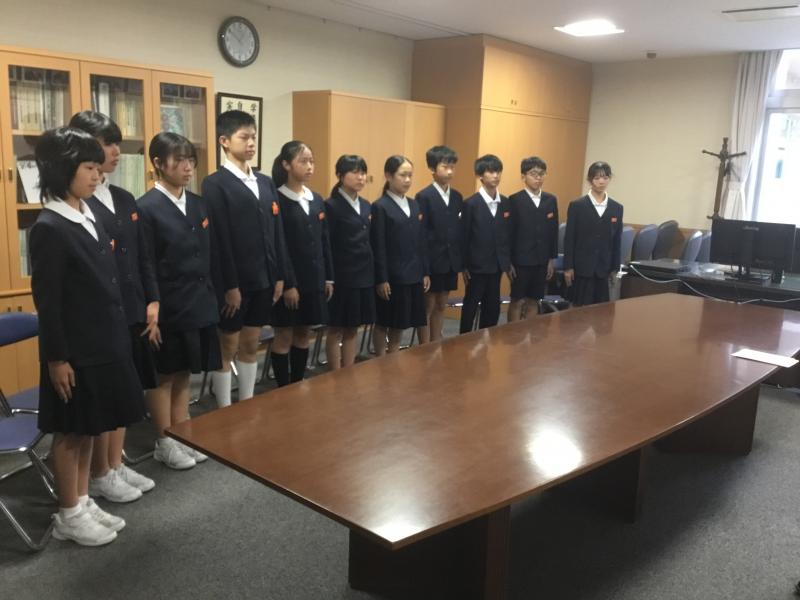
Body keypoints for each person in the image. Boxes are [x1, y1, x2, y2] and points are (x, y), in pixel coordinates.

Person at [31, 127, 145, 545]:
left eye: (99, 168)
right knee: (70, 432)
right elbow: (50, 303)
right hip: (74, 351)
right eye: (89, 168)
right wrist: (57, 358)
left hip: (102, 342)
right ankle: (68, 513)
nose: (98, 175)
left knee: (89, 428)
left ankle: (81, 499)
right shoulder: (50, 226)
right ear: (62, 169)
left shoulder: (86, 213)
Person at [68, 110, 157, 503]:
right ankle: (100, 472)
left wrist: (153, 299)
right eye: (108, 144)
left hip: (133, 308)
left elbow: (142, 255)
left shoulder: (123, 197)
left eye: (118, 143)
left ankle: (115, 463)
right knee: (105, 397)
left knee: (127, 390)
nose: (117, 152)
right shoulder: (77, 204)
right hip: (103, 316)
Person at [138, 132, 220, 469]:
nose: (188, 167)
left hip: (197, 301)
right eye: (179, 160)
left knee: (186, 371)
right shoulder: (146, 208)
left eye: (191, 160)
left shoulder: (198, 203)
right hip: (167, 305)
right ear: (158, 163)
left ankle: (182, 434)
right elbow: (145, 264)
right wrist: (152, 307)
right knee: (165, 376)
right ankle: (164, 440)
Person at [202, 110, 286, 406]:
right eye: (244, 137)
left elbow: (276, 232)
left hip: (264, 278)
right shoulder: (215, 184)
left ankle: (248, 403)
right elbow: (219, 240)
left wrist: (279, 276)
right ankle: (225, 407)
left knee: (251, 343)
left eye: (253, 137)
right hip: (235, 281)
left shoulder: (265, 182)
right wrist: (230, 285)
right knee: (228, 345)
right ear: (224, 141)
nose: (251, 143)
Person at [270, 141, 334, 385]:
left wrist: (328, 277)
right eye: (303, 161)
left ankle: (297, 383)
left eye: (311, 161)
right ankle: (282, 388)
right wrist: (288, 284)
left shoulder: (315, 199)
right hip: (290, 281)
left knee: (304, 333)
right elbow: (279, 246)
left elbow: (324, 240)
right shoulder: (277, 198)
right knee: (284, 335)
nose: (309, 167)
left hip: (314, 279)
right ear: (286, 165)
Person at [371, 155, 430, 355]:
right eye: (402, 175)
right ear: (389, 176)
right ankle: (381, 359)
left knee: (401, 324)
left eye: (410, 175)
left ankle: (393, 357)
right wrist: (382, 278)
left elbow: (421, 241)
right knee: (384, 321)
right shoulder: (380, 206)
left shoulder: (414, 205)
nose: (407, 180)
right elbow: (378, 245)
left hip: (413, 273)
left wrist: (424, 272)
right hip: (392, 276)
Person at [324, 155, 375, 371]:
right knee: (336, 328)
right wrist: (329, 277)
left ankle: (349, 370)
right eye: (355, 172)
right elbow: (327, 244)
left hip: (363, 274)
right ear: (340, 175)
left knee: (353, 326)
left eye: (363, 173)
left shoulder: (366, 205)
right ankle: (335, 373)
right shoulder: (331, 205)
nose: (360, 177)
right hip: (341, 276)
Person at [415, 145, 463, 342]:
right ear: (432, 169)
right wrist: (424, 268)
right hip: (432, 259)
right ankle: (425, 346)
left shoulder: (457, 196)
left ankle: (436, 343)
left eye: (452, 167)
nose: (450, 171)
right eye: (445, 166)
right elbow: (421, 234)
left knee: (442, 304)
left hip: (450, 260)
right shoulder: (424, 196)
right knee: (428, 305)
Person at [459, 154, 512, 333]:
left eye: (498, 171)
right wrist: (464, 265)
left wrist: (507, 261)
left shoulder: (505, 203)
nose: (495, 176)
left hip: (497, 265)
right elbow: (464, 237)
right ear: (480, 175)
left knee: (492, 307)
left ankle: (487, 340)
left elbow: (507, 235)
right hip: (476, 266)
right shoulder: (470, 204)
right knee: (471, 305)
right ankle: (464, 340)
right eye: (490, 172)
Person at [563, 161, 624, 306]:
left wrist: (615, 268)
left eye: (605, 178)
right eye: (597, 178)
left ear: (609, 179)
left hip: (604, 267)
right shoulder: (577, 205)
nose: (601, 182)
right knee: (579, 310)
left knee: (601, 312)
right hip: (581, 268)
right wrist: (568, 267)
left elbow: (616, 240)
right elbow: (569, 238)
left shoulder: (616, 207)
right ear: (590, 180)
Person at [507, 156, 559, 322]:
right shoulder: (514, 200)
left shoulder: (550, 200)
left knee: (534, 300)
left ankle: (529, 333)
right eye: (533, 174)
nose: (538, 178)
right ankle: (513, 332)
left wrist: (551, 259)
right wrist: (509, 262)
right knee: (517, 300)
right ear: (523, 176)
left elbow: (553, 232)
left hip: (542, 260)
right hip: (520, 261)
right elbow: (509, 233)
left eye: (541, 174)